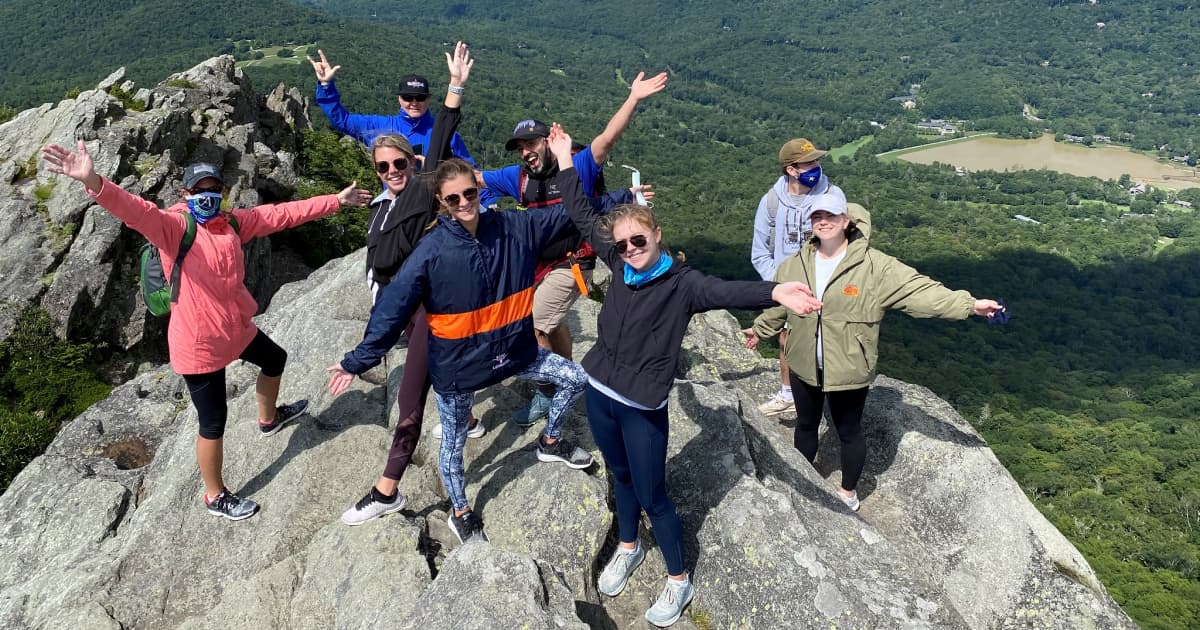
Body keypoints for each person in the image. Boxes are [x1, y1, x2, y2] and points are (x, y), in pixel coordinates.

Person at [545, 124, 823, 628]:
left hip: (642, 403)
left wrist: (777, 292)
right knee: (620, 475)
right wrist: (566, 162)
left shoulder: (683, 284)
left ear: (657, 236)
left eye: (639, 240)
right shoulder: (616, 260)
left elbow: (726, 291)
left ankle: (678, 579)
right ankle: (628, 546)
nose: (629, 248)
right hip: (601, 391)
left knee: (654, 494)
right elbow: (582, 214)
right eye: (624, 242)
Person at [40, 144, 371, 521]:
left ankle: (268, 419)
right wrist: (94, 182)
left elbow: (280, 214)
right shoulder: (173, 228)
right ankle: (215, 496)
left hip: (234, 329)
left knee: (275, 358)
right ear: (186, 194)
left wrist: (336, 201)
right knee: (213, 423)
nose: (208, 196)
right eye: (199, 190)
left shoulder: (230, 223)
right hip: (198, 346)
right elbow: (134, 210)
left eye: (214, 189)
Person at [326, 156, 642, 543]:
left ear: (480, 191)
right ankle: (460, 510)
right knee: (454, 445)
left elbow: (569, 213)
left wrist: (624, 196)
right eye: (453, 198)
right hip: (461, 371)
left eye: (470, 193)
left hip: (516, 352)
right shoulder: (432, 252)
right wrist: (355, 361)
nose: (464, 203)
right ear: (442, 203)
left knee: (575, 379)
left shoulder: (514, 227)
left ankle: (550, 441)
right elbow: (391, 310)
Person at [744, 194, 1004, 512]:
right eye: (816, 216)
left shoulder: (876, 267)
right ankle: (802, 477)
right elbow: (781, 303)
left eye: (831, 215)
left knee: (849, 431)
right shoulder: (796, 263)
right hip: (803, 362)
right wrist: (760, 330)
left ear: (847, 220)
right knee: (806, 425)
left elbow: (921, 292)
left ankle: (848, 493)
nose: (823, 221)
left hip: (849, 367)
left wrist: (970, 305)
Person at [339, 41, 488, 526]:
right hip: (404, 312)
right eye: (383, 167)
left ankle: (388, 490)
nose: (392, 173)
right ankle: (465, 415)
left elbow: (441, 136)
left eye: (400, 164)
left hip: (429, 312)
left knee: (410, 406)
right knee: (440, 381)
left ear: (413, 164)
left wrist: (455, 89)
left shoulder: (422, 191)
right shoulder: (381, 207)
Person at [482, 71, 669, 426]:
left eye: (531, 144)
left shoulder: (576, 165)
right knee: (552, 324)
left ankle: (549, 390)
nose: (526, 153)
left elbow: (606, 141)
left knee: (536, 323)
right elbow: (475, 178)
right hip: (537, 264)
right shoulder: (517, 177)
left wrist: (632, 98)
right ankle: (564, 370)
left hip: (572, 263)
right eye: (520, 148)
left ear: (548, 143)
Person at [307, 47, 496, 207]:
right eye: (408, 97)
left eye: (420, 97)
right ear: (399, 98)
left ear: (428, 99)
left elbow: (471, 172)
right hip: (397, 206)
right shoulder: (380, 127)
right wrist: (325, 85)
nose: (414, 103)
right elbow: (341, 120)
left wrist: (488, 207)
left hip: (436, 209)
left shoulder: (444, 134)